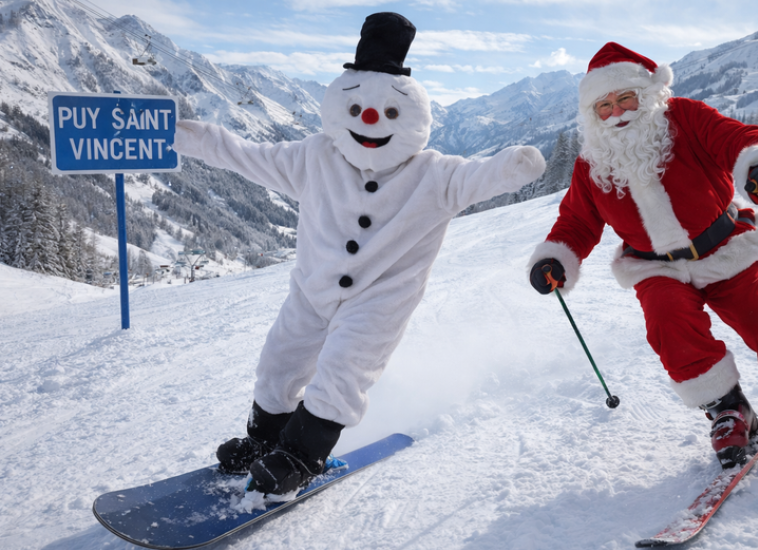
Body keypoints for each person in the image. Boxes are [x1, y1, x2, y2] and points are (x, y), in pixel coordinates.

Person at [173, 12, 545, 496]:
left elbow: (479, 177)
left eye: (391, 114)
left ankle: (300, 455)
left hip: (380, 301)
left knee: (343, 369)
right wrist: (183, 135)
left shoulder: (434, 174)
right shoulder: (313, 157)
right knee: (279, 361)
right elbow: (242, 153)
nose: (371, 122)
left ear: (414, 118)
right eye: (358, 112)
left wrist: (511, 167)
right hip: (312, 290)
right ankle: (265, 441)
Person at [527, 42, 758, 469]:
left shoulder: (684, 117)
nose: (618, 112)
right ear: (593, 114)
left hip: (724, 248)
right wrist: (555, 258)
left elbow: (734, 138)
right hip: (654, 267)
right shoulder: (592, 163)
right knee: (670, 327)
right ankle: (728, 408)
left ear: (646, 94)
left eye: (626, 97)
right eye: (604, 106)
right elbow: (576, 221)